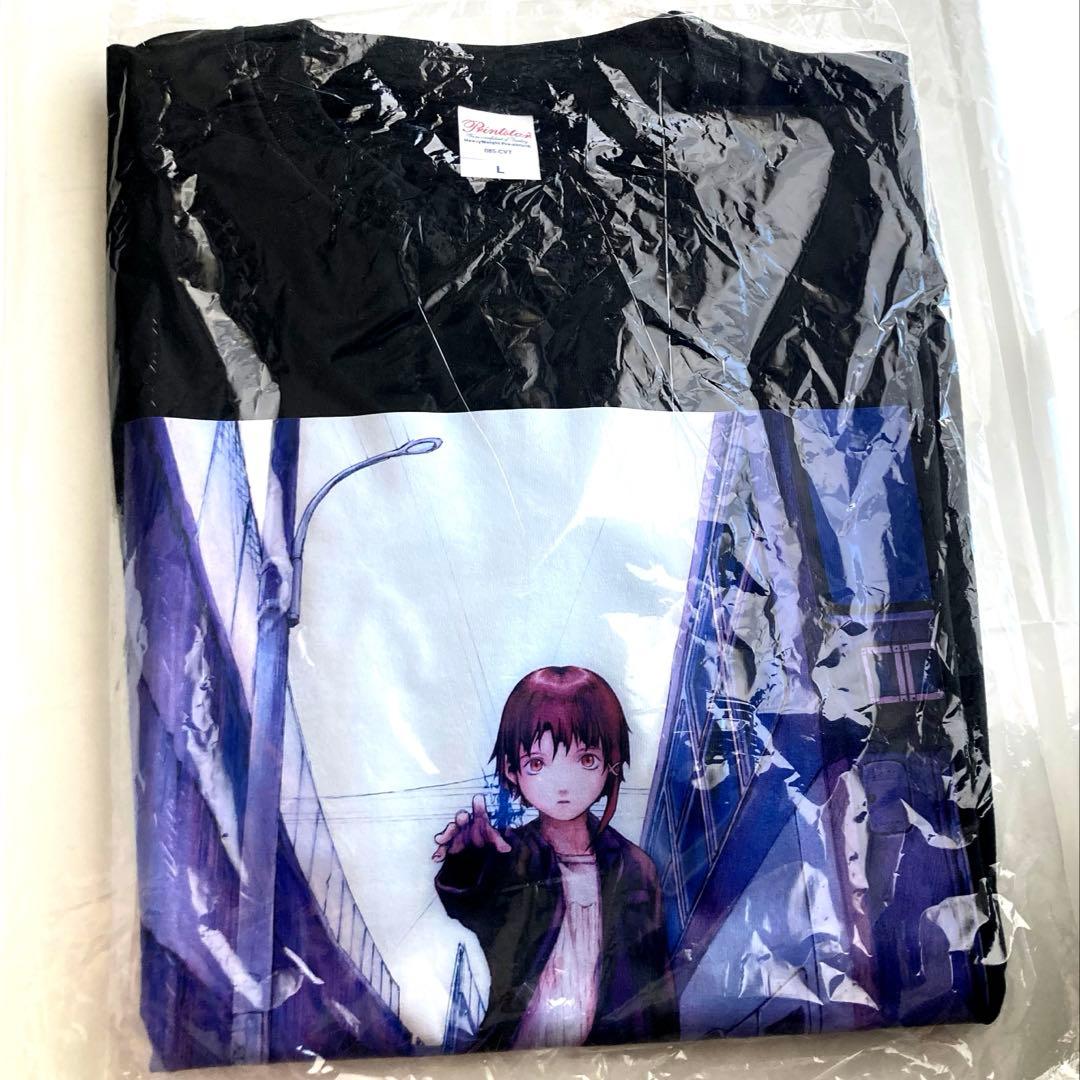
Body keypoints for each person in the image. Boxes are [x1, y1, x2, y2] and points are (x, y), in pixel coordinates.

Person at [431, 666, 679, 1051]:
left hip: (613, 1061)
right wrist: (467, 859)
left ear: (611, 763)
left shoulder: (635, 868)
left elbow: (656, 983)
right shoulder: (510, 856)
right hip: (516, 1056)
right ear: (512, 770)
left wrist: (667, 1059)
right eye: (537, 763)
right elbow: (472, 902)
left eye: (586, 759)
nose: (563, 784)